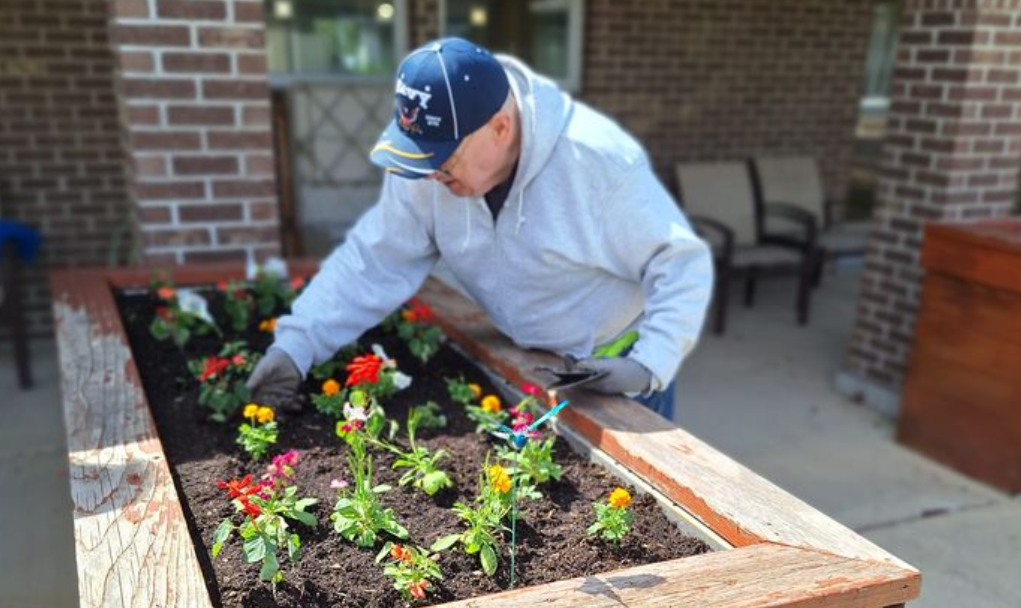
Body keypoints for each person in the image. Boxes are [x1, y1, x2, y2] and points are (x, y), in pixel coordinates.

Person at [247, 37, 713, 421]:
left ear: (500, 127)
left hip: (616, 371)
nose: (430, 176)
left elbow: (680, 262)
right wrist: (297, 344)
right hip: (531, 362)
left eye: (443, 161)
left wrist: (648, 362)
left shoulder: (598, 165)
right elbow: (372, 262)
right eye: (420, 158)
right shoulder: (425, 172)